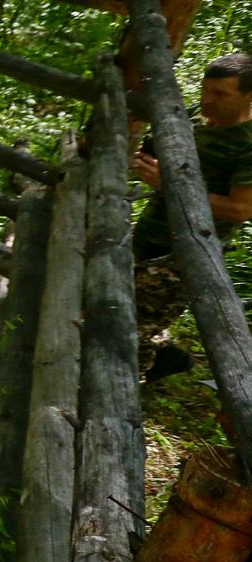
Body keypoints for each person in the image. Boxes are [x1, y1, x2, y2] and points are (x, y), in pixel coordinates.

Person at [131, 52, 252, 383]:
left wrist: (170, 184)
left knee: (130, 330)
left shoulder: (248, 144)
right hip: (150, 232)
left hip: (184, 251)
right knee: (125, 303)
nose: (207, 100)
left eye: (220, 95)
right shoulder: (196, 117)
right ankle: (167, 355)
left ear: (248, 96)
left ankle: (125, 389)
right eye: (205, 90)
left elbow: (241, 209)